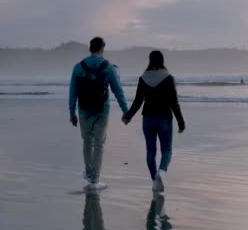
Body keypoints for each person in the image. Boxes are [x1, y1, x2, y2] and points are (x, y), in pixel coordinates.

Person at [69, 37, 129, 190]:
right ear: (102, 48)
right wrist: (125, 111)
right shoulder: (108, 67)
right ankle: (95, 180)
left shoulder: (78, 67)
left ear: (90, 48)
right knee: (99, 144)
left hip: (83, 110)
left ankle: (88, 174)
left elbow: (73, 93)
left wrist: (71, 113)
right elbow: (118, 91)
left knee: (87, 141)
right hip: (102, 110)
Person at [122, 51, 185, 192]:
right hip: (164, 119)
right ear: (162, 60)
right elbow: (174, 103)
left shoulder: (143, 78)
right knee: (166, 150)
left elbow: (138, 101)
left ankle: (154, 181)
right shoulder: (168, 78)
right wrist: (181, 122)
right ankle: (161, 172)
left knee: (150, 150)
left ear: (149, 61)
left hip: (148, 119)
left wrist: (128, 116)